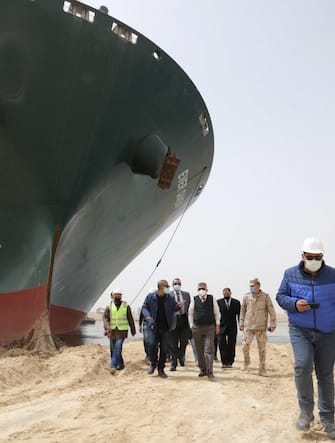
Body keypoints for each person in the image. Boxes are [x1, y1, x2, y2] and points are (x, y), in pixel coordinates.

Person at [276, 237, 335, 439]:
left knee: (325, 374)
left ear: (322, 257)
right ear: (302, 256)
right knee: (302, 366)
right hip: (300, 329)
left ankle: (327, 418)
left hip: (328, 332)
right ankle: (306, 412)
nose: (313, 260)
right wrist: (294, 304)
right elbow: (280, 296)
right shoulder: (290, 274)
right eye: (310, 257)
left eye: (317, 257)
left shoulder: (333, 275)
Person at [141, 279, 184, 378]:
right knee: (151, 345)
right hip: (153, 326)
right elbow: (144, 307)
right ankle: (153, 363)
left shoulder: (170, 298)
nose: (168, 288)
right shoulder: (150, 297)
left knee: (164, 349)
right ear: (160, 288)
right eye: (166, 286)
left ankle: (161, 369)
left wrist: (179, 306)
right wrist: (148, 317)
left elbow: (174, 308)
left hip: (165, 327)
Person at [240, 278, 276, 376]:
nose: (251, 287)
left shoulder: (265, 297)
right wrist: (241, 323)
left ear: (258, 286)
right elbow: (243, 310)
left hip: (261, 327)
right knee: (244, 346)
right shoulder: (246, 296)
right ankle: (246, 361)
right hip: (249, 327)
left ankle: (262, 369)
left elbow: (271, 310)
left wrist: (272, 323)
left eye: (253, 285)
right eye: (250, 286)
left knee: (262, 349)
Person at [188, 282, 220, 378]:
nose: (201, 290)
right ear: (197, 290)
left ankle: (210, 371)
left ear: (206, 289)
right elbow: (190, 313)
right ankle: (203, 370)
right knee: (199, 350)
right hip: (197, 328)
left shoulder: (212, 298)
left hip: (209, 328)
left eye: (203, 288)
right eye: (200, 289)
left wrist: (217, 325)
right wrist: (191, 326)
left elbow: (217, 312)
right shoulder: (194, 299)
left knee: (209, 349)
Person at [103, 288, 136, 374]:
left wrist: (133, 329)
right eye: (116, 295)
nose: (117, 296)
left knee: (117, 347)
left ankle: (113, 366)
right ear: (112, 296)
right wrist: (107, 326)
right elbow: (105, 318)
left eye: (119, 295)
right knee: (113, 349)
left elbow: (130, 319)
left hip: (122, 331)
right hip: (112, 331)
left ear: (121, 296)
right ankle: (121, 364)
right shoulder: (109, 306)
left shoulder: (126, 306)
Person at [168, 278, 191, 371]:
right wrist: (176, 306)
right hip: (173, 320)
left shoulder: (186, 294)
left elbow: (189, 307)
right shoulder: (168, 295)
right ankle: (174, 363)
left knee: (184, 341)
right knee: (173, 343)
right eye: (175, 283)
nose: (177, 284)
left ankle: (181, 356)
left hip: (184, 319)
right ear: (172, 285)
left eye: (178, 283)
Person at [217, 288, 241, 368]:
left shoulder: (236, 302)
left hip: (232, 326)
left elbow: (239, 315)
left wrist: (241, 324)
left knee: (232, 344)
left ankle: (230, 362)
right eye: (224, 293)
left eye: (227, 293)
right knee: (222, 344)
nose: (226, 294)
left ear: (230, 293)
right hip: (221, 326)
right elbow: (215, 315)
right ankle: (224, 362)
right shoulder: (218, 302)